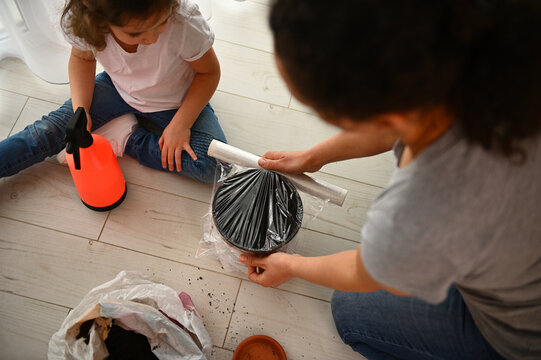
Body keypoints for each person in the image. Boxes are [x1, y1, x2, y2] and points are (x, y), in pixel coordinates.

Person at [238, 0, 541, 359]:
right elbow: (398, 122)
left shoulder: (421, 211)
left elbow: (365, 272)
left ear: (386, 116)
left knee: (351, 313)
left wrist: (289, 265)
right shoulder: (484, 42)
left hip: (522, 333)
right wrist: (312, 157)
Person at [0, 0, 226, 183]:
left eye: (161, 22)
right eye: (136, 33)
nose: (153, 38)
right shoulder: (85, 22)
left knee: (212, 165)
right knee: (50, 130)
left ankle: (125, 138)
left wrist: (181, 125)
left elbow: (209, 73)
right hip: (117, 89)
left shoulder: (184, 21)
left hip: (178, 101)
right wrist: (82, 109)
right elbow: (81, 58)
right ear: (99, 20)